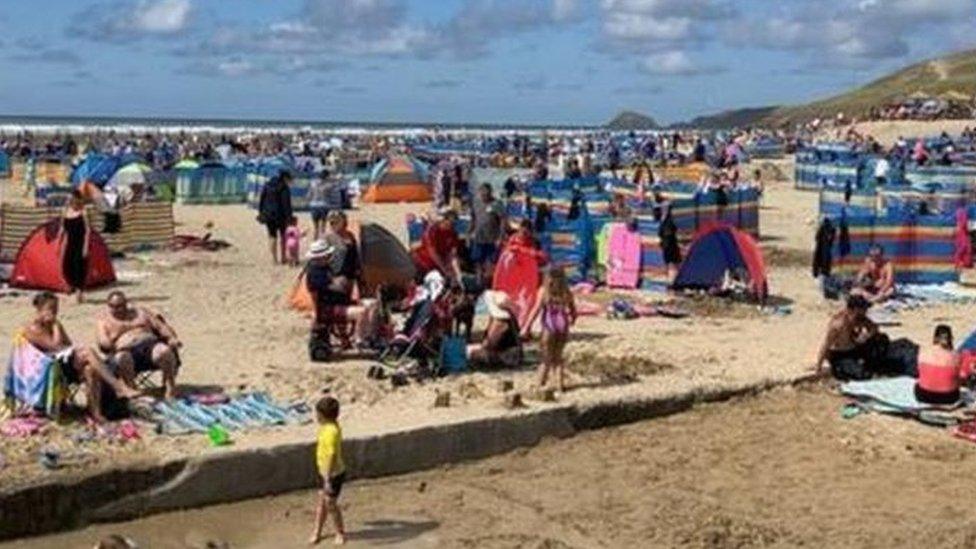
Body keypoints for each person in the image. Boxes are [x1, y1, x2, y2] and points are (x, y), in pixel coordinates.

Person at [24, 292, 138, 423]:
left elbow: (67, 345)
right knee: (87, 352)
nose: (55, 312)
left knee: (90, 368)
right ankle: (118, 387)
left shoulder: (54, 324)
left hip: (61, 366)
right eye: (51, 308)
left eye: (56, 308)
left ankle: (95, 412)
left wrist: (59, 332)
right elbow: (55, 346)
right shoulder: (32, 328)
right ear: (39, 309)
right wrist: (55, 325)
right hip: (46, 372)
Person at [96, 291, 181, 400]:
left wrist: (171, 338)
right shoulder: (104, 321)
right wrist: (115, 337)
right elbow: (103, 343)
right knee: (122, 358)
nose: (117, 309)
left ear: (126, 304)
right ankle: (132, 391)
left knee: (164, 351)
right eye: (113, 306)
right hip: (125, 351)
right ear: (109, 306)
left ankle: (170, 388)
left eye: (120, 306)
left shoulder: (141, 313)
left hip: (150, 346)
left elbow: (161, 327)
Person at [306, 241, 381, 348]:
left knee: (372, 304)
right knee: (361, 312)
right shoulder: (316, 274)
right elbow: (324, 295)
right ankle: (360, 340)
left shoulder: (324, 269)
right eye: (327, 255)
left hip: (336, 303)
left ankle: (370, 335)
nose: (329, 257)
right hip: (328, 308)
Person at [521, 267, 577, 392]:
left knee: (546, 358)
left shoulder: (544, 292)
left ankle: (539, 383)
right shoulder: (567, 292)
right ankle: (559, 385)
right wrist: (572, 320)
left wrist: (526, 327)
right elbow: (573, 312)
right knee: (558, 357)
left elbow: (535, 310)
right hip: (563, 326)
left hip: (549, 326)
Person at [814, 295, 881, 380]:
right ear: (851, 310)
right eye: (861, 310)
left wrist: (866, 336)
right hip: (841, 354)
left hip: (855, 348)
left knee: (881, 339)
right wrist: (818, 366)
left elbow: (874, 328)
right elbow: (826, 345)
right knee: (861, 374)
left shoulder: (860, 318)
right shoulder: (838, 325)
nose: (864, 312)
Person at [310, 396, 346, 546]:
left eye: (317, 413)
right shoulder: (327, 427)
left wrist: (327, 478)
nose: (315, 416)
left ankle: (340, 532)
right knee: (322, 503)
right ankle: (317, 530)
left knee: (330, 504)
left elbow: (331, 455)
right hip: (323, 471)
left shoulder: (331, 431)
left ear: (322, 415)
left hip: (333, 474)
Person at [467, 290, 521, 368]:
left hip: (507, 357)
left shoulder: (500, 322)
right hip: (514, 355)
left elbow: (490, 344)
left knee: (473, 354)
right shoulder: (511, 319)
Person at [411, 208, 462, 284]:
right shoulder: (432, 231)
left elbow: (452, 255)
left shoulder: (452, 233)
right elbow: (433, 254)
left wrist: (458, 274)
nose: (451, 224)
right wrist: (445, 270)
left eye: (453, 222)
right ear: (443, 219)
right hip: (423, 264)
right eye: (449, 220)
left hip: (438, 265)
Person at [915, 325, 962, 404]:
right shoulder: (956, 355)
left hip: (924, 396)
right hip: (949, 398)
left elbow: (919, 371)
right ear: (950, 338)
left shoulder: (923, 351)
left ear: (935, 337)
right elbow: (957, 377)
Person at [468, 183, 505, 283]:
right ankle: (479, 280)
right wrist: (469, 232)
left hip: (492, 238)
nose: (484, 197)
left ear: (491, 193)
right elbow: (473, 217)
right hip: (479, 236)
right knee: (478, 260)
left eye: (487, 194)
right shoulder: (475, 202)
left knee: (491, 261)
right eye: (482, 194)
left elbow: (502, 221)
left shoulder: (497, 204)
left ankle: (489, 281)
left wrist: (500, 237)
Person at [60, 189, 90, 303]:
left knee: (79, 267)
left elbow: (88, 230)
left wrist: (86, 246)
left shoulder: (83, 212)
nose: (71, 202)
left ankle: (79, 291)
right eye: (70, 200)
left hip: (80, 242)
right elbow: (62, 228)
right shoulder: (65, 211)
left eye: (74, 200)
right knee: (67, 265)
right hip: (69, 243)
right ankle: (72, 286)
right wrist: (59, 240)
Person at [322, 211, 361, 299]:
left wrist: (358, 267)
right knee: (340, 296)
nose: (333, 224)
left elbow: (355, 252)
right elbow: (324, 256)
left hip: (351, 271)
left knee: (348, 295)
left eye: (336, 221)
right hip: (337, 273)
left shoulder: (350, 235)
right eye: (332, 222)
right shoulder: (328, 237)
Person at [257, 171, 294, 265]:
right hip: (281, 215)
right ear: (285, 178)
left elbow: (262, 200)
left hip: (268, 215)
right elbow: (286, 204)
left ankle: (274, 259)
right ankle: (283, 257)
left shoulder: (267, 185)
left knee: (272, 236)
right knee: (283, 237)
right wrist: (289, 217)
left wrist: (261, 213)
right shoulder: (284, 188)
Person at [307, 171, 333, 241]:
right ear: (326, 176)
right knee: (323, 226)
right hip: (324, 205)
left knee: (315, 227)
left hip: (314, 205)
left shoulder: (312, 183)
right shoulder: (328, 185)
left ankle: (315, 242)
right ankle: (322, 242)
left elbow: (308, 195)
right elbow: (330, 195)